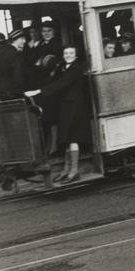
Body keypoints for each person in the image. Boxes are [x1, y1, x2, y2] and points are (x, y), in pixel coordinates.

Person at [26, 46, 91, 184]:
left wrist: (38, 91)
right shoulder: (63, 68)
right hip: (65, 106)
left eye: (71, 53)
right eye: (66, 53)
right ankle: (67, 170)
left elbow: (61, 84)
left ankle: (74, 170)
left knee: (73, 138)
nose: (68, 55)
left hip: (75, 106)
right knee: (67, 138)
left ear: (76, 55)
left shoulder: (76, 69)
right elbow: (53, 82)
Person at [0, 28, 29, 99]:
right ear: (14, 40)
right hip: (13, 91)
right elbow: (19, 75)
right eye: (22, 39)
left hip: (0, 88)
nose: (24, 41)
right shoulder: (16, 54)